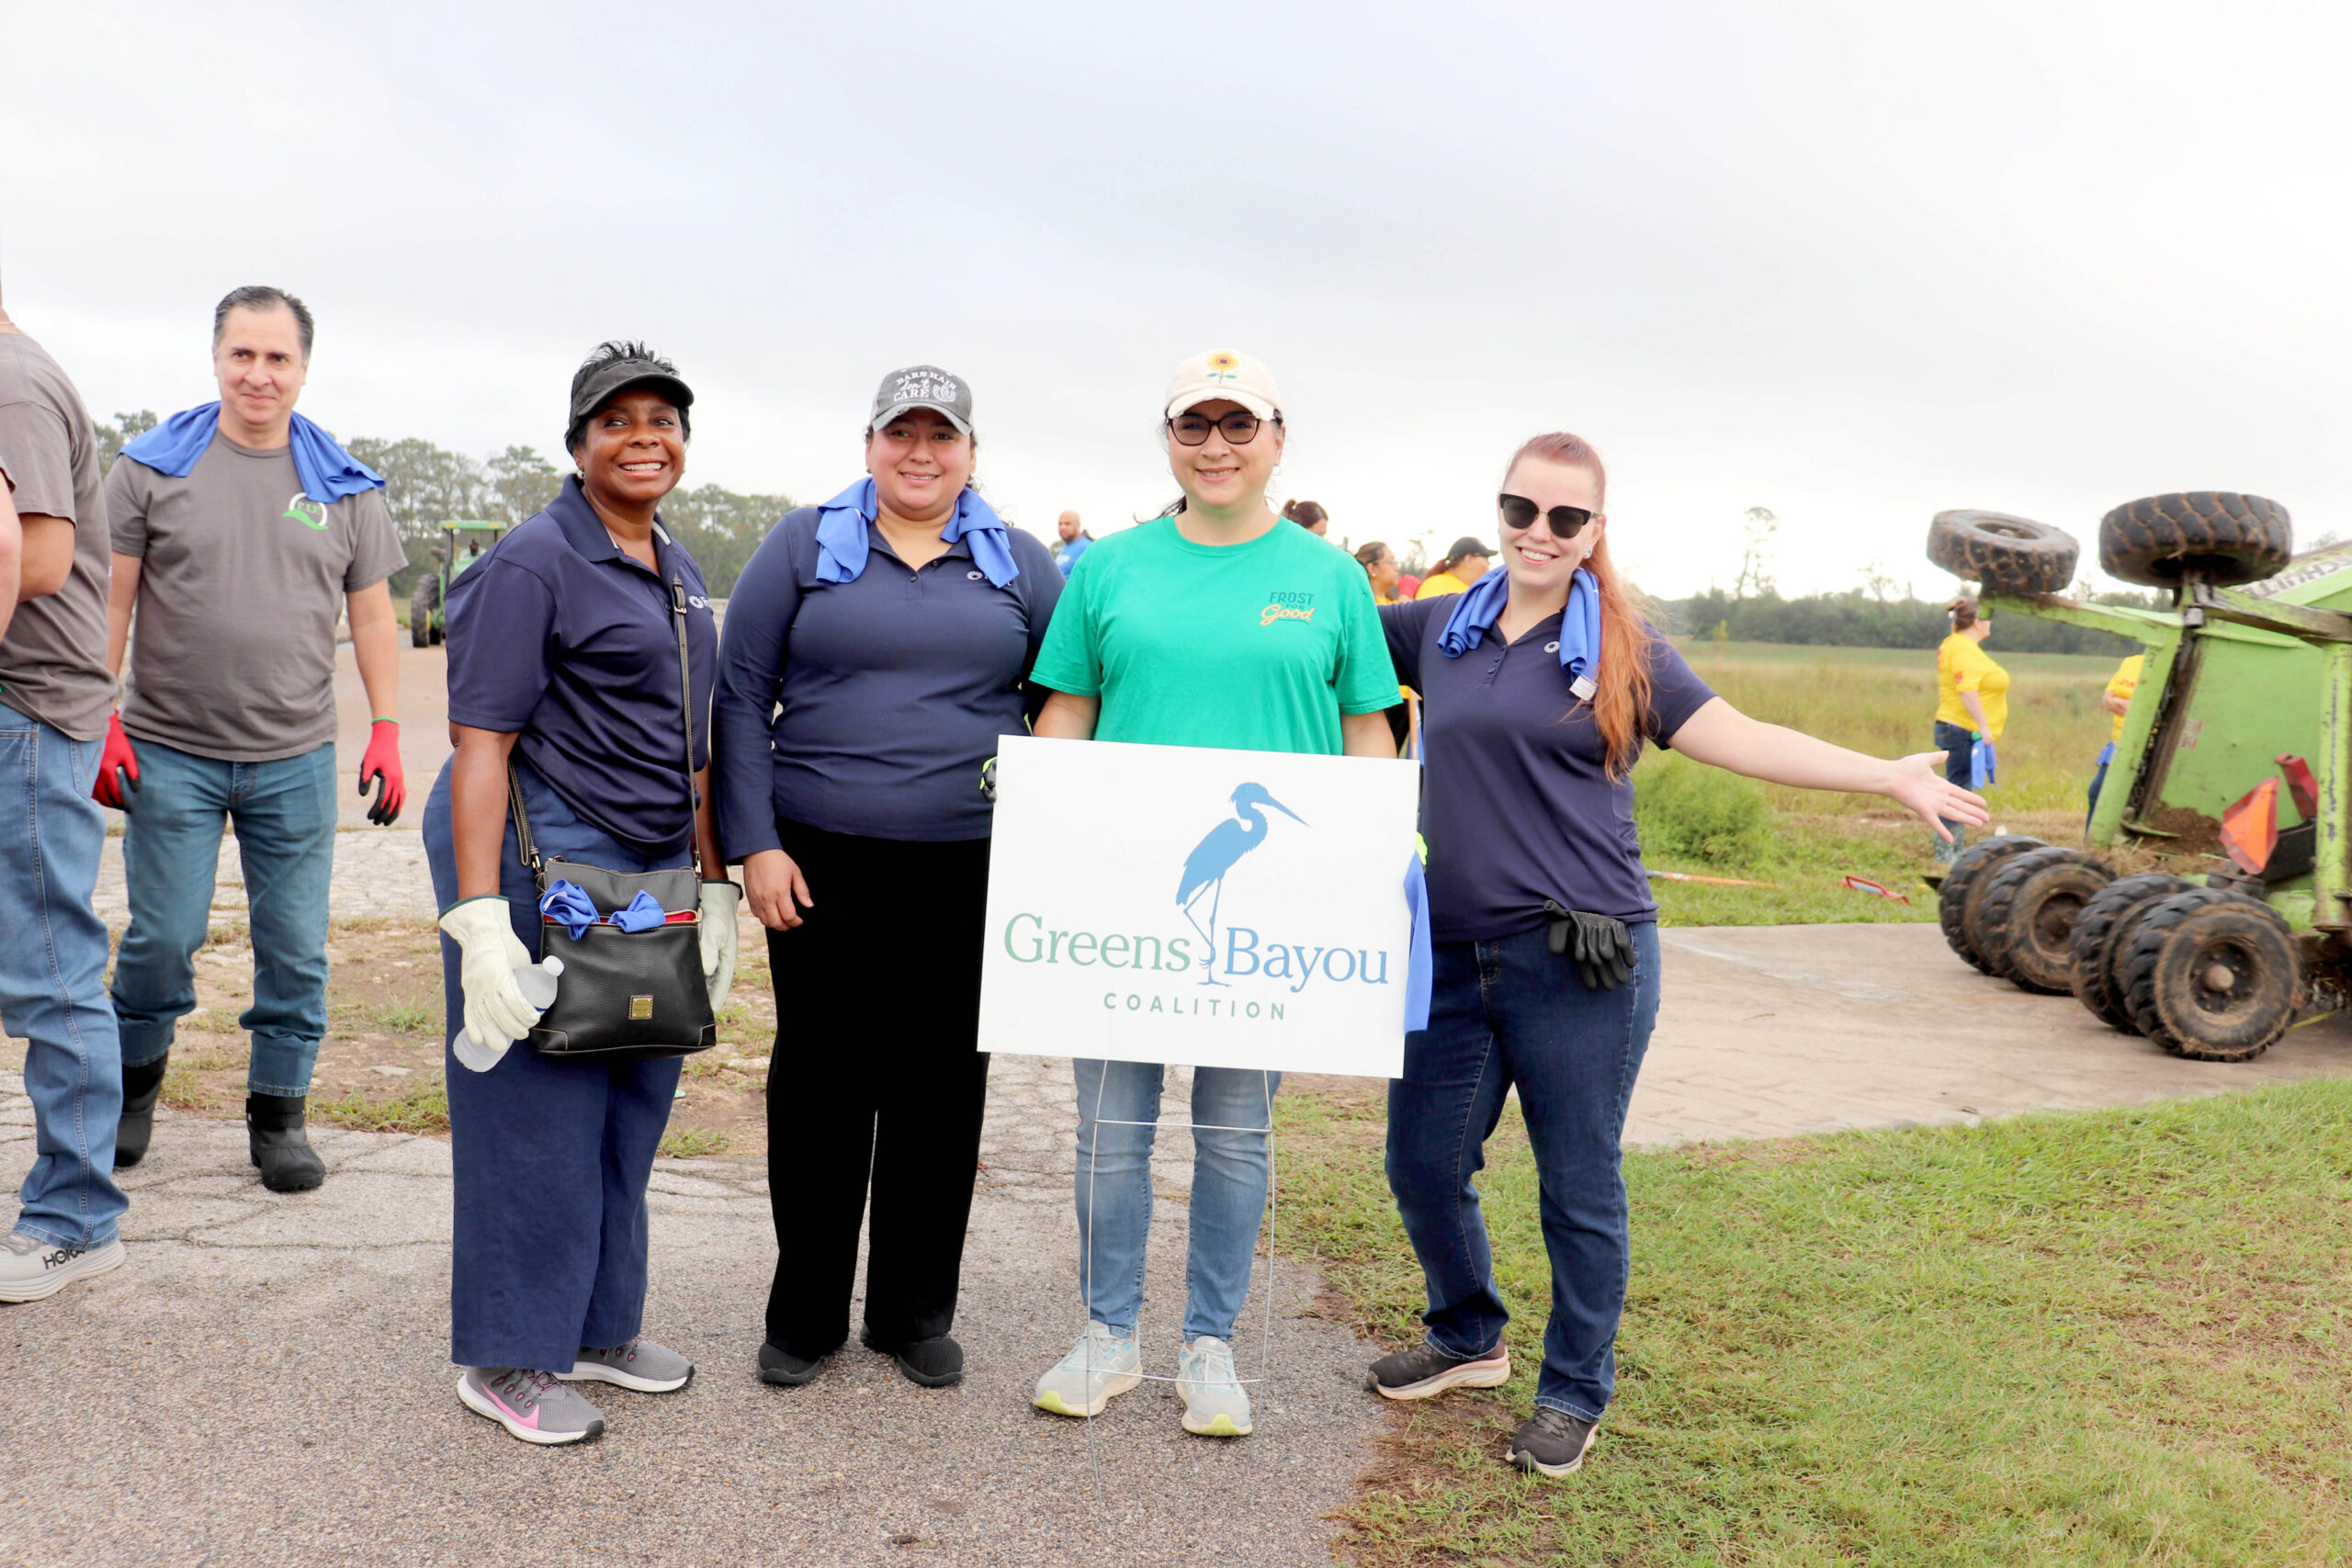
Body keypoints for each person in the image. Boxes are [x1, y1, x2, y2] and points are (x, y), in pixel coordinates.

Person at [1369, 433, 1987, 1477]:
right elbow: (1302, 644)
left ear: (1595, 532)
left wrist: (1884, 775)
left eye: (1567, 519)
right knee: (1421, 1162)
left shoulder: (1625, 650)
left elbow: (1739, 735)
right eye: (1522, 509)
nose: (1538, 532)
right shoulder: (1436, 629)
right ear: (1501, 508)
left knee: (1576, 1181)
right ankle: (1467, 1332)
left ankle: (1573, 1391)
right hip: (1451, 952)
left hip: (1583, 963)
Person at [1026, 349, 1398, 1438]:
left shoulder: (1328, 578)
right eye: (1197, 427)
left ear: (1278, 440)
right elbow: (1067, 713)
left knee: (1235, 1134)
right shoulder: (1109, 569)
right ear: (1169, 440)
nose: (1218, 447)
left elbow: (1366, 728)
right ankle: (1106, 1336)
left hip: (1269, 915)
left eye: (1241, 427)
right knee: (1110, 1129)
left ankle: (1210, 1346)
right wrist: (1043, 836)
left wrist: (1366, 862)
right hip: (1120, 902)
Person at [715, 365, 1060, 1393]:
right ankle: (806, 1314)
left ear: (968, 451)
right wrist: (754, 842)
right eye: (900, 434)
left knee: (941, 1088)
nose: (920, 453)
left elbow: (1072, 699)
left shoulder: (1018, 561)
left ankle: (912, 1313)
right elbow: (741, 695)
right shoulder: (803, 544)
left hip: (972, 864)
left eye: (939, 436)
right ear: (869, 444)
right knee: (821, 1085)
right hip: (819, 859)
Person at [425, 341, 731, 1447]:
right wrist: (478, 918)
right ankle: (508, 1355)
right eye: (618, 420)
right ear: (578, 444)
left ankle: (598, 1327)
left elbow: (693, 748)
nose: (643, 436)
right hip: (537, 855)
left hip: (641, 872)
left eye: (663, 420)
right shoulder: (533, 560)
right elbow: (480, 744)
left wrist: (710, 884)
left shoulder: (678, 568)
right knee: (536, 1110)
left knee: (629, 1100)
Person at [101, 286, 407, 1192]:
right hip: (169, 748)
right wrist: (100, 717)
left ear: (304, 369)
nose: (258, 374)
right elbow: (110, 600)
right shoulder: (150, 470)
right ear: (216, 359)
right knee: (160, 936)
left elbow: (377, 619)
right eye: (243, 354)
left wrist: (387, 725)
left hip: (294, 757)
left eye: (277, 358)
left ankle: (279, 1117)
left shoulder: (343, 484)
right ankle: (129, 1094)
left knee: (296, 948)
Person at [0, 281, 129, 1302]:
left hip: (28, 712)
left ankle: (77, 1217)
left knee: (49, 963)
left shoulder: (9, 384)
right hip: (28, 711)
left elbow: (35, 559)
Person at [1931, 596, 2007, 863]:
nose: (1990, 624)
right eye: (1987, 618)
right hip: (1963, 730)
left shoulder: (1955, 643)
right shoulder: (1964, 649)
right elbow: (1967, 691)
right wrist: (1984, 727)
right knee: (1956, 793)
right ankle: (1946, 856)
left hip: (1956, 728)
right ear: (1977, 622)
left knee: (1958, 791)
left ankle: (1953, 851)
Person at [1356, 540, 1414, 754]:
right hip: (1377, 697)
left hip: (1402, 697)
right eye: (1390, 562)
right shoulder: (1362, 601)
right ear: (1372, 568)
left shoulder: (1390, 602)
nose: (1397, 568)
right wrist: (1406, 598)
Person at [2087, 651, 2143, 819]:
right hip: (2119, 743)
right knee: (2096, 794)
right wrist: (2135, 708)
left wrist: (2121, 702)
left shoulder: (2176, 666)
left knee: (2132, 804)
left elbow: (2155, 711)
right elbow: (2107, 700)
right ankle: (2091, 845)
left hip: (2147, 747)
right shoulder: (2131, 662)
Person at [1413, 536, 1493, 599]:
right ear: (1469, 560)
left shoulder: (1474, 590)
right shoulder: (1435, 586)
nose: (1489, 563)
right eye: (1486, 558)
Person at [1053, 509, 1091, 576]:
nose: (1062, 527)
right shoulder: (1064, 548)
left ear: (1078, 525)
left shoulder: (1086, 547)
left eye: (1067, 524)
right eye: (1060, 524)